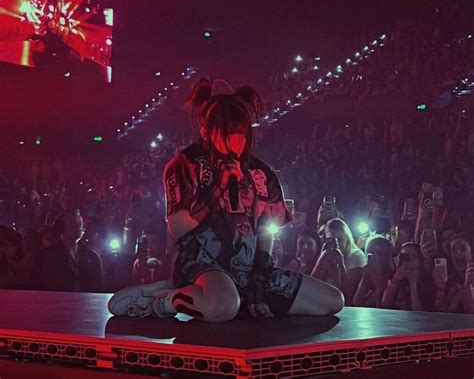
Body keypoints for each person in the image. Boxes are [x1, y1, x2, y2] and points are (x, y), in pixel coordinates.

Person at [109, 78, 344, 322]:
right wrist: (218, 189)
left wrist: (260, 278)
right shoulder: (185, 164)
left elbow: (265, 231)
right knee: (222, 305)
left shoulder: (261, 172)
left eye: (240, 132)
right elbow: (178, 228)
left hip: (248, 271)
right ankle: (164, 300)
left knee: (332, 301)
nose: (235, 141)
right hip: (202, 267)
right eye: (226, 132)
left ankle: (233, 298)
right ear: (207, 131)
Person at [35, 209, 103, 292]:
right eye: (73, 224)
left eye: (80, 224)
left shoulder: (92, 258)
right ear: (62, 227)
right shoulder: (45, 256)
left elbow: (98, 288)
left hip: (85, 303)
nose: (79, 228)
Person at [312, 218, 366, 304]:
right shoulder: (326, 253)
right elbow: (311, 288)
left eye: (339, 240)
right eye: (332, 240)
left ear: (347, 239)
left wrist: (341, 265)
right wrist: (321, 261)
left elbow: (348, 295)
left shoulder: (356, 256)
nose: (336, 244)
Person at [382, 242, 434, 311]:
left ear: (420, 259)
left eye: (414, 256)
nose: (410, 260)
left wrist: (412, 283)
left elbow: (418, 312)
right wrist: (395, 281)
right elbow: (385, 303)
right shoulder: (397, 276)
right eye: (406, 257)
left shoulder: (428, 281)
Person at [353, 236, 395, 307]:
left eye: (380, 254)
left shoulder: (392, 278)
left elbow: (384, 308)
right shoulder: (364, 274)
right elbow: (356, 303)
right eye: (371, 253)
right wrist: (364, 280)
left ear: (387, 257)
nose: (375, 257)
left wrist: (378, 288)